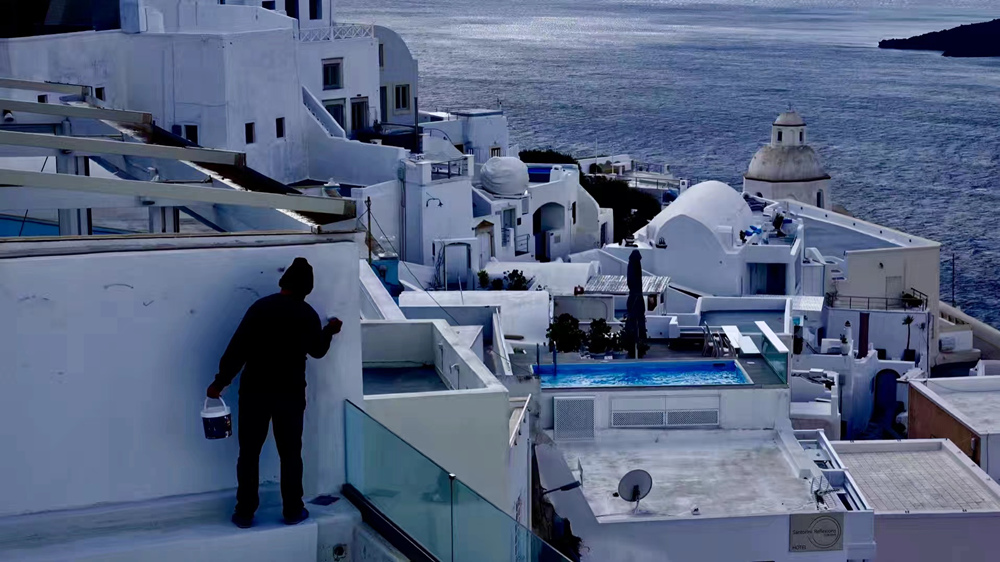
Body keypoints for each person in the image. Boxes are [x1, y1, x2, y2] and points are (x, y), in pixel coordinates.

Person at [206, 257, 342, 528]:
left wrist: (220, 383)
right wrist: (330, 331)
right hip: (290, 394)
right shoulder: (307, 314)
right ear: (307, 289)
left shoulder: (260, 308)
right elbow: (317, 350)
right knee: (290, 454)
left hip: (255, 392)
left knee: (249, 453)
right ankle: (293, 510)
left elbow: (238, 349)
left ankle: (245, 512)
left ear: (283, 282)